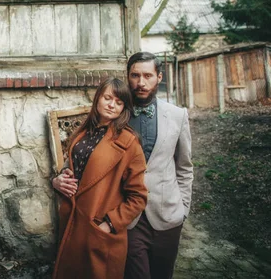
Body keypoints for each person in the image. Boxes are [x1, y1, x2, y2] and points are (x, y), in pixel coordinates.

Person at [52, 78, 148, 279]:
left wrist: (110, 224)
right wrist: (58, 179)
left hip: (98, 232)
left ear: (124, 108)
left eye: (119, 102)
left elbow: (138, 198)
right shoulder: (84, 131)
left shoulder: (129, 143)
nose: (112, 105)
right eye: (107, 98)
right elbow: (76, 169)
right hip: (72, 222)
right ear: (98, 98)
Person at [124, 52, 193, 279]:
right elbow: (85, 150)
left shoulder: (177, 115)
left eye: (147, 75)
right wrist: (62, 175)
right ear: (128, 77)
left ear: (159, 77)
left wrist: (183, 209)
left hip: (168, 217)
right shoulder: (116, 114)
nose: (141, 82)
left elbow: (184, 166)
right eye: (135, 75)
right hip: (130, 218)